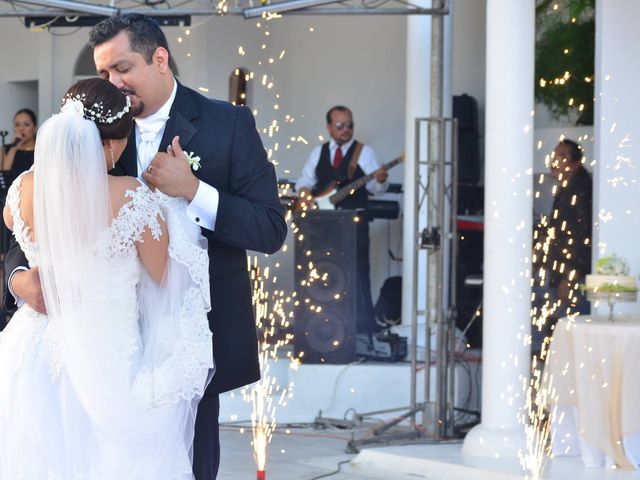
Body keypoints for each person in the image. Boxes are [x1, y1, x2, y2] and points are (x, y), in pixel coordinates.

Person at [4, 14, 287, 480]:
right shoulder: (95, 126)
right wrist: (18, 280)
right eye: (103, 74)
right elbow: (38, 223)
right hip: (85, 349)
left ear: (160, 59)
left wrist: (195, 191)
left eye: (122, 68)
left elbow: (270, 229)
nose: (113, 83)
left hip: (181, 354)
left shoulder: (228, 124)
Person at [0, 78, 214, 478]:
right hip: (105, 359)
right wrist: (173, 207)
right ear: (112, 142)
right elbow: (167, 279)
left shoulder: (22, 188)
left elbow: (13, 227)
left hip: (28, 354)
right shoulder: (132, 197)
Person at [295, 105, 389, 334]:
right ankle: (320, 325)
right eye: (340, 125)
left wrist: (381, 179)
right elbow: (303, 182)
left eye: (350, 125)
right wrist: (306, 192)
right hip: (323, 224)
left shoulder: (364, 153)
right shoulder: (319, 153)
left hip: (354, 223)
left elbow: (378, 189)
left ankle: (362, 326)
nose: (346, 130)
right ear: (329, 127)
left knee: (356, 272)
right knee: (322, 271)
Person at [531, 138, 592, 353]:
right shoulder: (570, 189)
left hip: (570, 278)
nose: (554, 162)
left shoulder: (579, 192)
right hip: (563, 274)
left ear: (575, 163)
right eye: (555, 156)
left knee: (569, 336)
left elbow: (579, 239)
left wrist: (569, 278)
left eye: (561, 157)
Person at [1, 108, 37, 176]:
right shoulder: (4, 149)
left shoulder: (41, 150)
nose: (21, 129)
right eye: (17, 125)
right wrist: (13, 148)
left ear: (35, 127)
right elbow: (3, 174)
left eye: (26, 124)